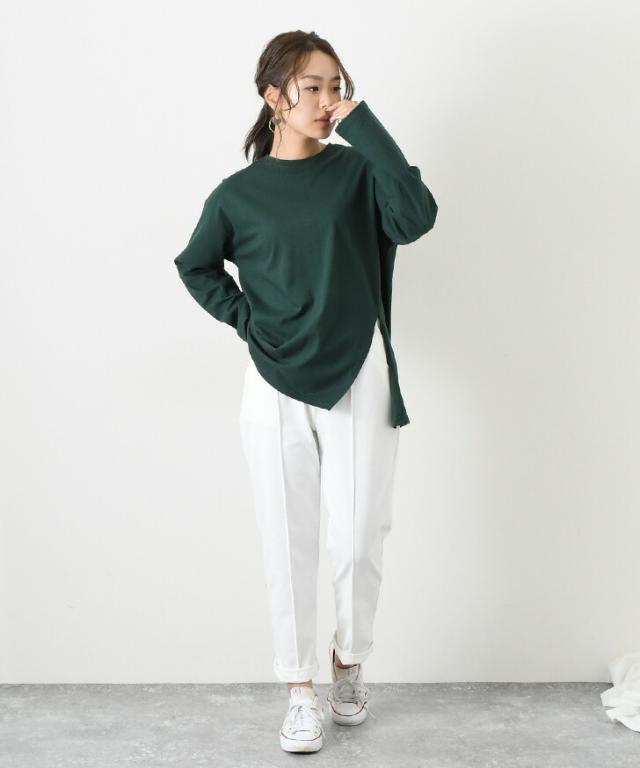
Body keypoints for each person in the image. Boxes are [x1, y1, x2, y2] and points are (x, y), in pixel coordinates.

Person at [173, 30, 438, 754]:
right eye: (311, 87)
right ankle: (298, 688)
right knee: (287, 537)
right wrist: (245, 321)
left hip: (358, 367)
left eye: (335, 86)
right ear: (273, 97)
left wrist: (365, 125)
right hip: (272, 377)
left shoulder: (358, 172)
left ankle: (348, 662)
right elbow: (196, 266)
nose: (327, 101)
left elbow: (417, 217)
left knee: (359, 533)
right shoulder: (237, 196)